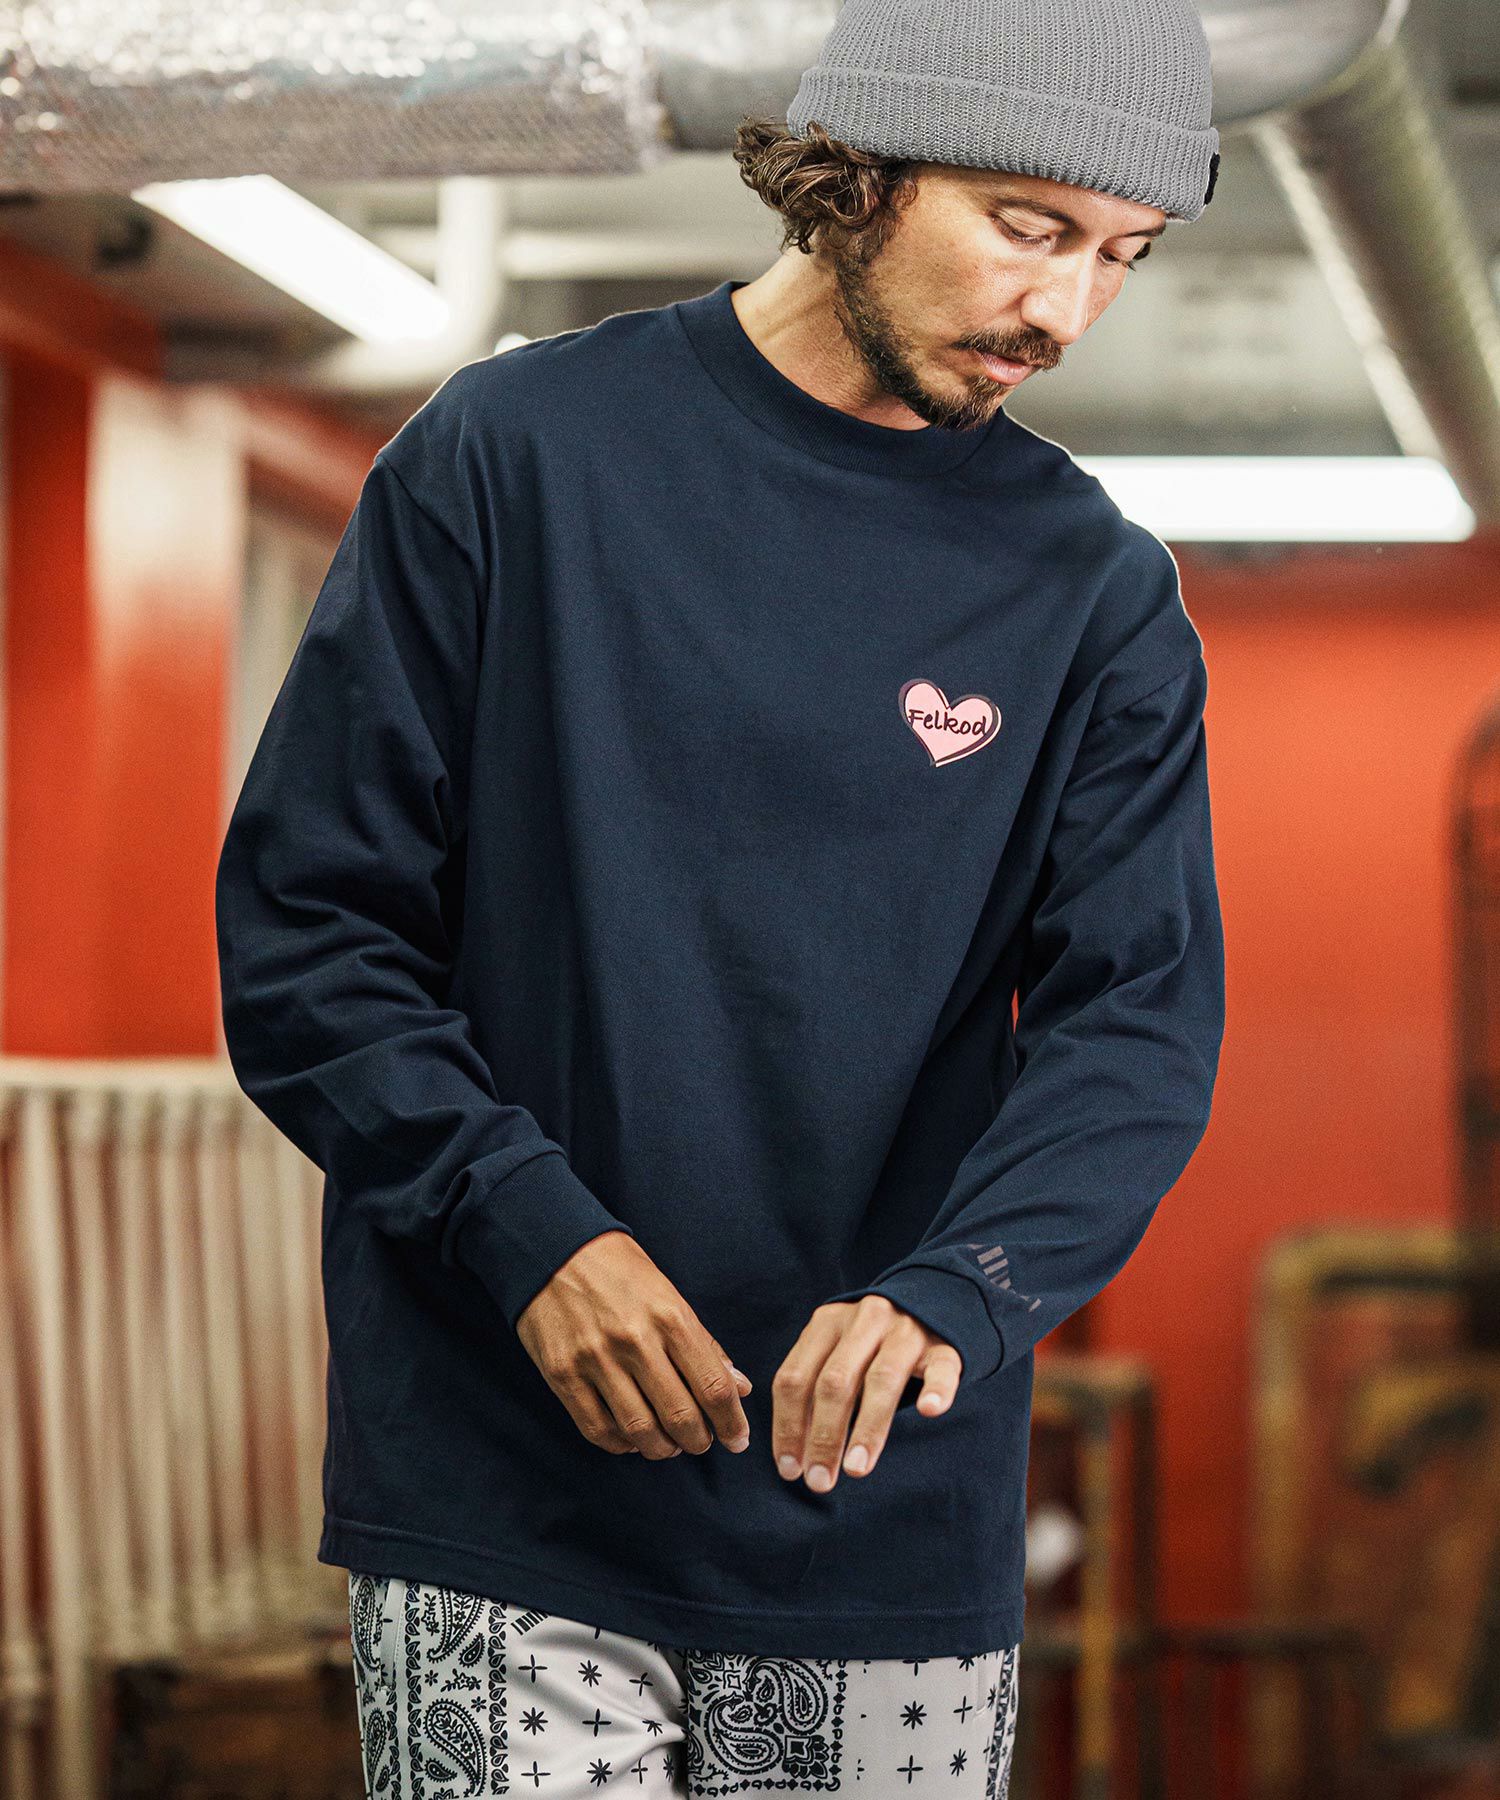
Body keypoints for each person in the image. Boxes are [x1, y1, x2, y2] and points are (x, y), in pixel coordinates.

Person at [214, 0, 1226, 1794]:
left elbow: (1133, 1033)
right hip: (503, 1481)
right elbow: (313, 931)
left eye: (1121, 256)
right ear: (857, 174)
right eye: (1029, 227)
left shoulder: (1096, 591)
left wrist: (962, 1292)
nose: (1063, 313)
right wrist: (526, 1230)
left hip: (883, 1508)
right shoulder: (510, 457)